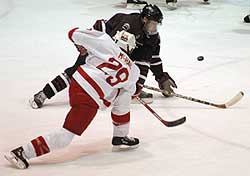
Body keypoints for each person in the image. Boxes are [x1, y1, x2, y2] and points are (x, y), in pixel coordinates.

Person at [5, 28, 141, 169]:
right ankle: (21, 152)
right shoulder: (134, 71)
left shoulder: (105, 42)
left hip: (78, 82)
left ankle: (120, 137)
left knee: (122, 96)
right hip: (88, 97)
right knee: (65, 137)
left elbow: (73, 33)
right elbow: (131, 91)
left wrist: (82, 46)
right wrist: (129, 86)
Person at [30, 4, 177, 109]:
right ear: (144, 19)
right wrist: (87, 44)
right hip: (98, 53)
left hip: (116, 62)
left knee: (119, 78)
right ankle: (43, 94)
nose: (155, 28)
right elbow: (100, 26)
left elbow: (150, 60)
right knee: (74, 72)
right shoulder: (126, 21)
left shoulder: (153, 37)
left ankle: (126, 90)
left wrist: (162, 78)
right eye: (153, 24)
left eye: (157, 25)